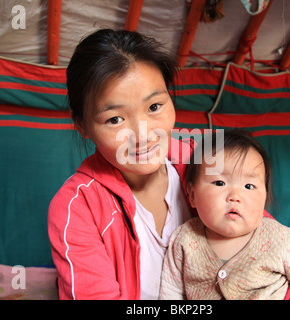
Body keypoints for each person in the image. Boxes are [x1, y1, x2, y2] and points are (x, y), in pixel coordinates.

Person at [48, 29, 194, 300]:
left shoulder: (203, 162)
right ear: (82, 124)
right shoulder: (77, 208)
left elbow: (269, 246)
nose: (143, 135)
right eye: (115, 119)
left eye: (154, 107)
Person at [159, 129, 290, 300]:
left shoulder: (283, 241)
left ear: (263, 198)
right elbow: (170, 294)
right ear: (192, 195)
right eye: (219, 183)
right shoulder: (183, 240)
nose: (235, 196)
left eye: (249, 186)